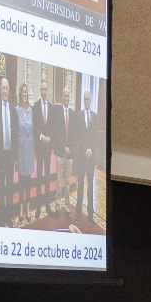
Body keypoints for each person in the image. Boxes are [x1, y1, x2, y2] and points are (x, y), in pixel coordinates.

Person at [0, 75, 16, 221]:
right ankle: (1, 216)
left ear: (9, 90)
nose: (5, 91)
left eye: (7, 88)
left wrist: (15, 157)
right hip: (0, 155)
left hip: (10, 155)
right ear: (0, 90)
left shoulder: (13, 109)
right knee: (1, 187)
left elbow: (15, 132)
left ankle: (9, 216)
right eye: (3, 88)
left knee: (10, 187)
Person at [34, 78, 57, 218]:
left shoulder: (52, 107)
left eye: (45, 89)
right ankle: (37, 206)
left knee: (48, 176)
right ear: (40, 90)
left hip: (48, 147)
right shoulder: (35, 106)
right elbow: (34, 126)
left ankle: (47, 204)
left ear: (47, 91)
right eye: (42, 89)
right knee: (39, 176)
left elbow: (54, 127)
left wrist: (50, 138)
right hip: (39, 147)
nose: (43, 91)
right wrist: (41, 136)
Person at [54, 82, 76, 225]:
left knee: (67, 183)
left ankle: (67, 208)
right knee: (58, 182)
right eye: (65, 95)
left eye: (68, 95)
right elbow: (56, 133)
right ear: (62, 97)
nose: (66, 98)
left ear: (70, 97)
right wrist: (64, 148)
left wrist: (70, 149)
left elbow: (74, 135)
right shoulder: (57, 112)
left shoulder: (73, 114)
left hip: (70, 155)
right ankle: (57, 206)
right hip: (60, 153)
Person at [77, 86, 99, 221]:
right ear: (83, 100)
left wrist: (90, 149)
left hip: (90, 158)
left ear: (90, 101)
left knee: (90, 185)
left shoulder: (95, 117)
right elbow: (78, 136)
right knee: (80, 185)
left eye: (88, 99)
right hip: (81, 156)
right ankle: (78, 212)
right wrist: (85, 148)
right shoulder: (78, 116)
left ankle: (90, 214)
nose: (86, 101)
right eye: (84, 99)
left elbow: (96, 137)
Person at [15, 82, 35, 223]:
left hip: (29, 149)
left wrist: (34, 151)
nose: (25, 95)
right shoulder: (16, 110)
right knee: (21, 182)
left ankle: (28, 210)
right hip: (21, 149)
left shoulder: (31, 111)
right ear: (19, 94)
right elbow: (16, 132)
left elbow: (33, 131)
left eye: (26, 93)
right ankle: (20, 211)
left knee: (28, 182)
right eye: (23, 92)